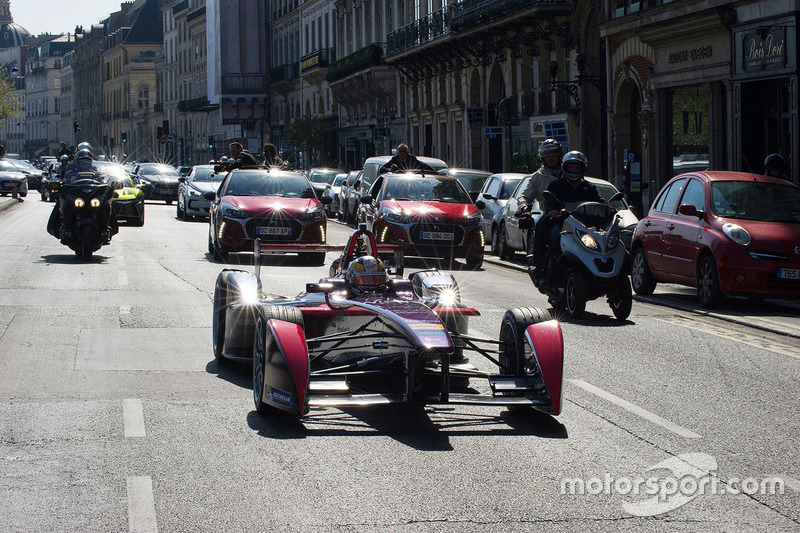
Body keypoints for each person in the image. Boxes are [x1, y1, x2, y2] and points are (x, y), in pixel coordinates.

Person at [530, 150, 603, 284]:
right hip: (562, 223)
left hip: (584, 225)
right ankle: (539, 265)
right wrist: (552, 211)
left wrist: (608, 208)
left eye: (577, 167)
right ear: (565, 167)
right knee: (546, 228)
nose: (574, 170)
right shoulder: (556, 185)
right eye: (571, 167)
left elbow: (599, 202)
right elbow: (549, 202)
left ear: (582, 168)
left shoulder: (589, 187)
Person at [521, 138, 563, 207]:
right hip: (548, 215)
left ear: (559, 156)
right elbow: (525, 197)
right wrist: (523, 206)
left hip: (572, 215)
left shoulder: (569, 172)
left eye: (553, 156)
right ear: (543, 158)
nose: (550, 159)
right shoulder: (537, 177)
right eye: (547, 156)